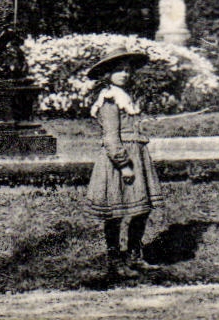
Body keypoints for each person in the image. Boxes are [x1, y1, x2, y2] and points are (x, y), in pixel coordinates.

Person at [84, 47, 166, 276]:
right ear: (108, 74)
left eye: (128, 70)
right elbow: (111, 137)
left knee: (141, 209)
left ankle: (134, 255)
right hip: (120, 160)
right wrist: (124, 164)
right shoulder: (110, 99)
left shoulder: (125, 97)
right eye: (118, 70)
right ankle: (115, 261)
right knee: (116, 212)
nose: (124, 74)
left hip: (136, 155)